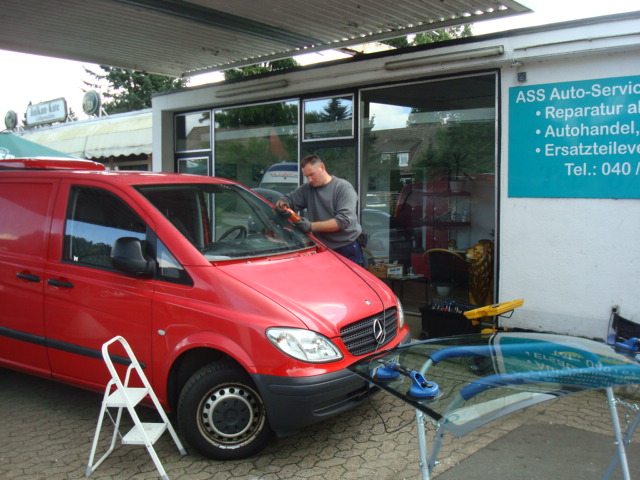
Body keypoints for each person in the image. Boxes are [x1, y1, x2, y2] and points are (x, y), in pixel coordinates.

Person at [276, 155, 364, 267]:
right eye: (306, 176)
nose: (309, 180)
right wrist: (282, 204)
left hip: (347, 248)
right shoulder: (307, 189)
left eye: (312, 174)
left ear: (322, 167)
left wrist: (310, 226)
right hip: (322, 249)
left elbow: (343, 221)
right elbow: (288, 199)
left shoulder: (343, 188)